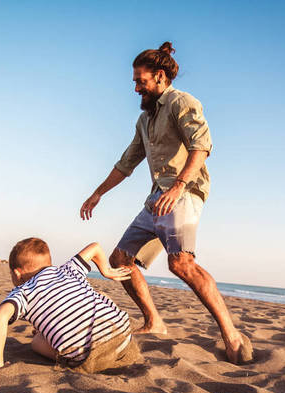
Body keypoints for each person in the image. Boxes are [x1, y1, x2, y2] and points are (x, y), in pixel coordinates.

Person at [79, 42, 253, 364]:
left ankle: (231, 334)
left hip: (185, 193)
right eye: (134, 81)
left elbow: (202, 146)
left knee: (181, 264)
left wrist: (178, 187)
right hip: (157, 198)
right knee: (120, 260)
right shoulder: (144, 121)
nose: (135, 88)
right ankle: (154, 322)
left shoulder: (182, 103)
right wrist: (98, 192)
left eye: (140, 81)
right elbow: (126, 163)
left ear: (159, 77)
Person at [0, 237, 140, 372]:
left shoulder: (23, 291)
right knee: (100, 296)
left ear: (17, 273)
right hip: (124, 336)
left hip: (90, 357)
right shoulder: (68, 269)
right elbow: (95, 247)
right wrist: (105, 271)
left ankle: (44, 338)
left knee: (36, 342)